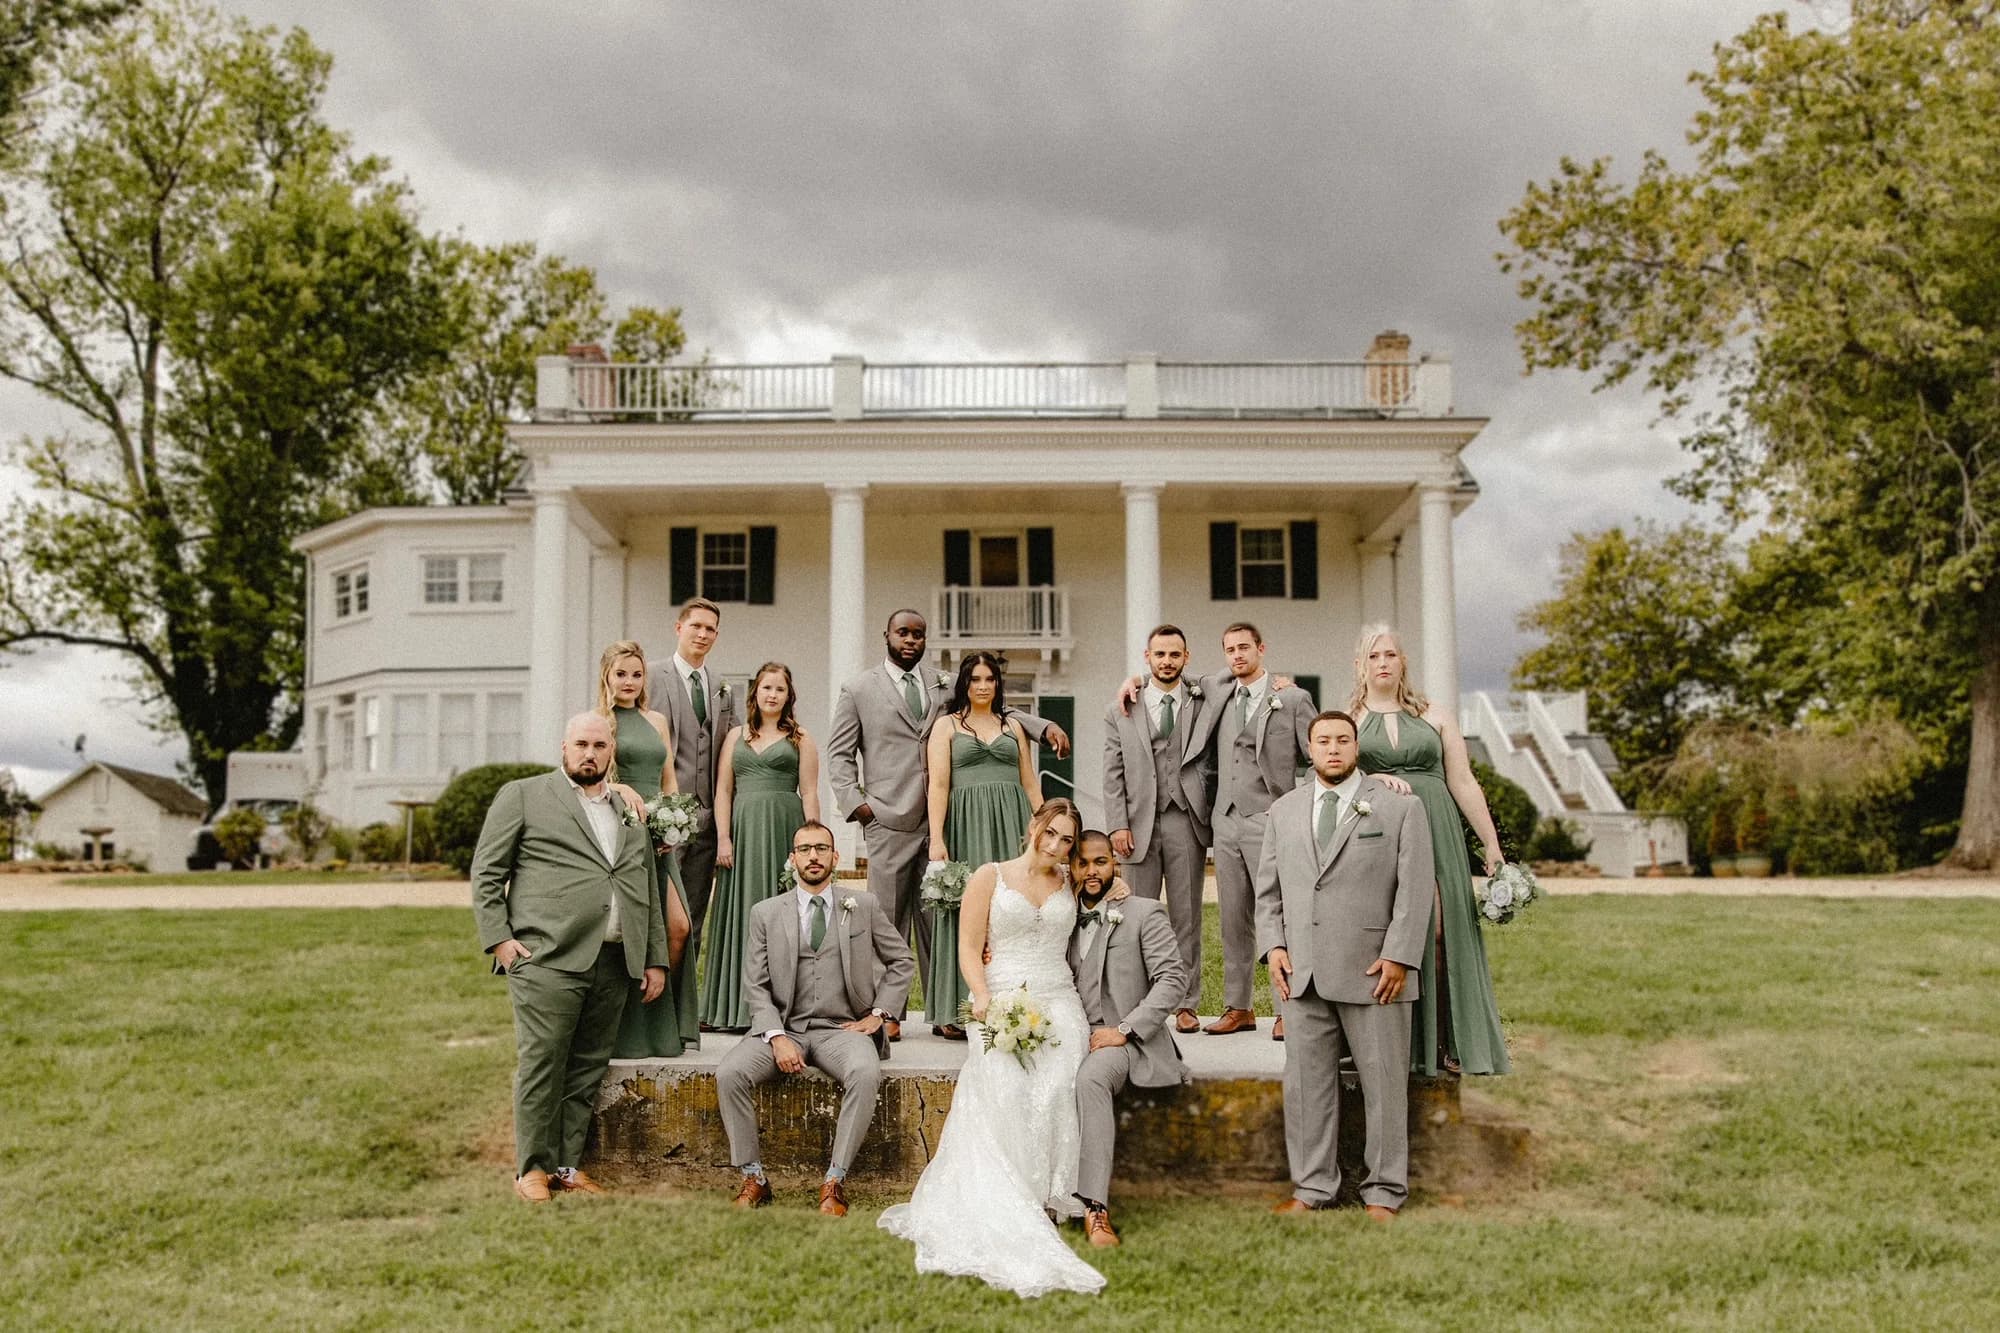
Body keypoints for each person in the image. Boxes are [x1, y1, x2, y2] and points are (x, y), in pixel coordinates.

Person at [878, 798, 1105, 1298]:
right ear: (1034, 827)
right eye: (1051, 833)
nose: (1056, 846)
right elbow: (967, 944)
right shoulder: (990, 876)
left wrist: (1118, 888)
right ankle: (1015, 1195)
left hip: (1060, 998)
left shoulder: (1071, 881)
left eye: (1067, 840)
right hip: (1001, 997)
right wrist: (982, 997)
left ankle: (1059, 1193)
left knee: (1064, 1080)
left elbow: (1101, 898)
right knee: (1007, 1082)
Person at [825, 609, 1070, 1039]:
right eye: (902, 632)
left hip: (949, 821)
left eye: (918, 635)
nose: (910, 640)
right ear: (887, 634)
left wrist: (1043, 724)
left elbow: (995, 708)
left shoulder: (941, 683)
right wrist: (859, 805)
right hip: (890, 817)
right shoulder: (859, 688)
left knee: (946, 917)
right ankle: (888, 1012)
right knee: (887, 917)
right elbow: (839, 753)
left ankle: (947, 1009)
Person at [470, 712, 668, 1203]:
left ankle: (567, 1165)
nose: (590, 753)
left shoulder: (627, 809)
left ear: (611, 752)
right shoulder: (524, 796)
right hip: (547, 957)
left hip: (614, 959)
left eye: (599, 745)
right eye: (581, 744)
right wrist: (500, 940)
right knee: (543, 1062)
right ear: (563, 748)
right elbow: (487, 872)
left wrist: (654, 957)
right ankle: (531, 1169)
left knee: (586, 1067)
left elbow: (644, 884)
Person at [1256, 710, 1432, 1220]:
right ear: (1309, 750)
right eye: (1323, 740)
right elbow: (1268, 892)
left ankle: (1384, 1191)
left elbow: (1415, 888)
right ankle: (1312, 1187)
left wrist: (1399, 954)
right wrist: (1274, 947)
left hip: (1375, 972)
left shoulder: (1399, 809)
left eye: (1343, 740)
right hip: (1301, 973)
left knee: (1383, 1086)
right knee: (1306, 1088)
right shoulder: (1284, 811)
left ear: (1357, 748)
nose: (1333, 748)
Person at [717, 821, 914, 1217]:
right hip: (783, 1027)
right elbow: (755, 985)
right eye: (804, 849)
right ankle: (754, 1176)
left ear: (835, 857)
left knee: (864, 1071)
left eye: (821, 848)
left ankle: (835, 1180)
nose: (813, 856)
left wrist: (878, 1015)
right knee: (729, 1073)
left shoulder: (863, 906)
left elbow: (902, 961)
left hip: (841, 1029)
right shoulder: (766, 913)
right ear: (792, 858)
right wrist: (775, 1036)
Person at [1349, 625, 1511, 1075]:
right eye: (1373, 655)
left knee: (1440, 930)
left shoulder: (1435, 715)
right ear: (1360, 665)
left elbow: (1462, 781)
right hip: (1381, 834)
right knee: (1395, 932)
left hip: (1438, 828)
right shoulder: (1350, 718)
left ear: (1403, 662)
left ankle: (1445, 1043)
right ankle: (1400, 1044)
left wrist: (1492, 848)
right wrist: (1374, 779)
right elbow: (1331, 775)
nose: (1383, 662)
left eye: (1391, 655)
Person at [1066, 830, 1189, 1249]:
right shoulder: (1060, 915)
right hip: (1069, 1034)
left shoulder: (1142, 912)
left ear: (1114, 864)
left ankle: (1096, 1209)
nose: (1091, 871)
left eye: (1100, 862)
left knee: (1091, 1080)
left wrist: (1123, 1030)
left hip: (1123, 1039)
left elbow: (1173, 980)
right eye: (1081, 863)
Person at [1200, 622, 1317, 1036]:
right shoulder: (1218, 693)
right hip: (1225, 819)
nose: (1237, 655)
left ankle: (1289, 1009)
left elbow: (1317, 755)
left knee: (1278, 915)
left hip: (1270, 818)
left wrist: (1301, 813)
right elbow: (1180, 682)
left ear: (1261, 649)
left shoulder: (1292, 697)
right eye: (1229, 649)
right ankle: (1239, 1007)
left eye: (1244, 648)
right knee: (1233, 918)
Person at [1100, 623, 1216, 1035]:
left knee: (1186, 917)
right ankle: (1136, 1003)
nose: (1167, 661)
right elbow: (1113, 772)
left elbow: (1236, 678)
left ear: (1186, 658)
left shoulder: (1202, 698)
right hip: (1137, 824)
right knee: (1134, 916)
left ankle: (1185, 1003)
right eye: (1159, 655)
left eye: (1175, 655)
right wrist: (1117, 824)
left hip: (1186, 819)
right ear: (1147, 658)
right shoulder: (1122, 708)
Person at [923, 651, 1040, 1039]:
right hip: (965, 822)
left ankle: (1009, 1003)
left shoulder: (1013, 726)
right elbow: (938, 784)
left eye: (990, 679)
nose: (983, 686)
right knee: (963, 909)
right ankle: (954, 1009)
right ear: (965, 684)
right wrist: (937, 839)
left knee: (1009, 908)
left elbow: (1029, 784)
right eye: (975, 679)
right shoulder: (946, 726)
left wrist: (1043, 830)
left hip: (1012, 823)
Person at [591, 642, 697, 1060]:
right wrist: (619, 787)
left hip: (661, 838)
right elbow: (584, 775)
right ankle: (626, 1024)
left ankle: (659, 1019)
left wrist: (677, 820)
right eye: (621, 674)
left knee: (678, 927)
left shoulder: (656, 721)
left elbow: (669, 779)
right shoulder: (598, 722)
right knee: (633, 932)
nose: (630, 682)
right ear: (607, 676)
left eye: (637, 674)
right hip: (622, 835)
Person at [702, 661, 819, 1031]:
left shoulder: (801, 737)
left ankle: (784, 1008)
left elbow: (810, 793)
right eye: (767, 688)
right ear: (755, 693)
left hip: (784, 828)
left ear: (789, 696)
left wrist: (812, 844)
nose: (772, 695)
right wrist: (723, 837)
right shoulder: (736, 736)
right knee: (741, 913)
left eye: (780, 689)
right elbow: (723, 790)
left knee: (783, 918)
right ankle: (733, 1009)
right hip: (743, 831)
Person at [651, 597, 742, 1022]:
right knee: (659, 914)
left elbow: (731, 748)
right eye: (696, 627)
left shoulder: (722, 685)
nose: (703, 635)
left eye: (711, 629)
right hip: (662, 819)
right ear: (678, 627)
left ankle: (683, 1010)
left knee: (694, 918)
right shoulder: (652, 676)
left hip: (707, 821)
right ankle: (650, 1003)